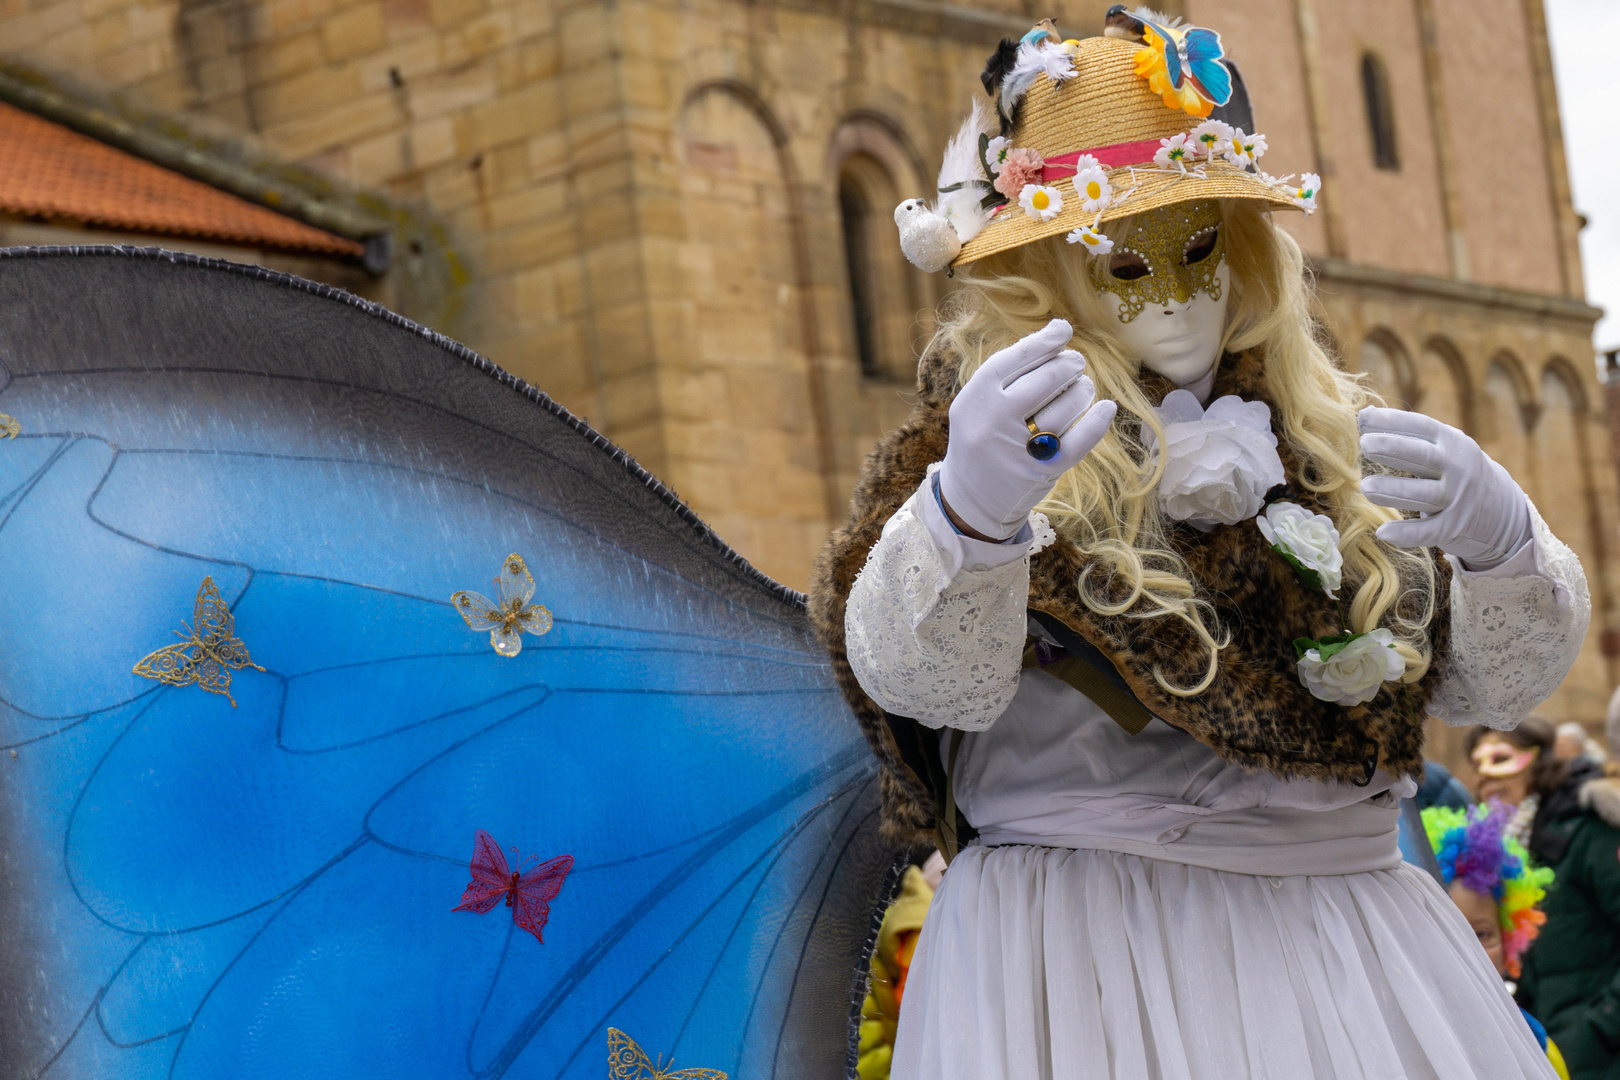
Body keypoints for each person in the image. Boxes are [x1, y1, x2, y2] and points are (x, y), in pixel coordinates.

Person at [809, 15, 1590, 1079]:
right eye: (1126, 261)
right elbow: (919, 682)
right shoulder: (978, 454)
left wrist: (1505, 551)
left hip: (1356, 957)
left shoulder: (1332, 442)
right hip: (1089, 961)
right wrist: (967, 521)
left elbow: (1490, 686)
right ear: (1051, 273)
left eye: (1205, 244)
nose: (1178, 296)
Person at [1487, 722, 1620, 1078]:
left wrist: (1593, 1031)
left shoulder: (1588, 830)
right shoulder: (1505, 850)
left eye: (1500, 758)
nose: (1483, 776)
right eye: (1475, 764)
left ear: (1538, 765)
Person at [1422, 802, 1568, 1078]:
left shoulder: (1537, 1045)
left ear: (1507, 940)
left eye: (1481, 935)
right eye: (1446, 932)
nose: (1468, 951)